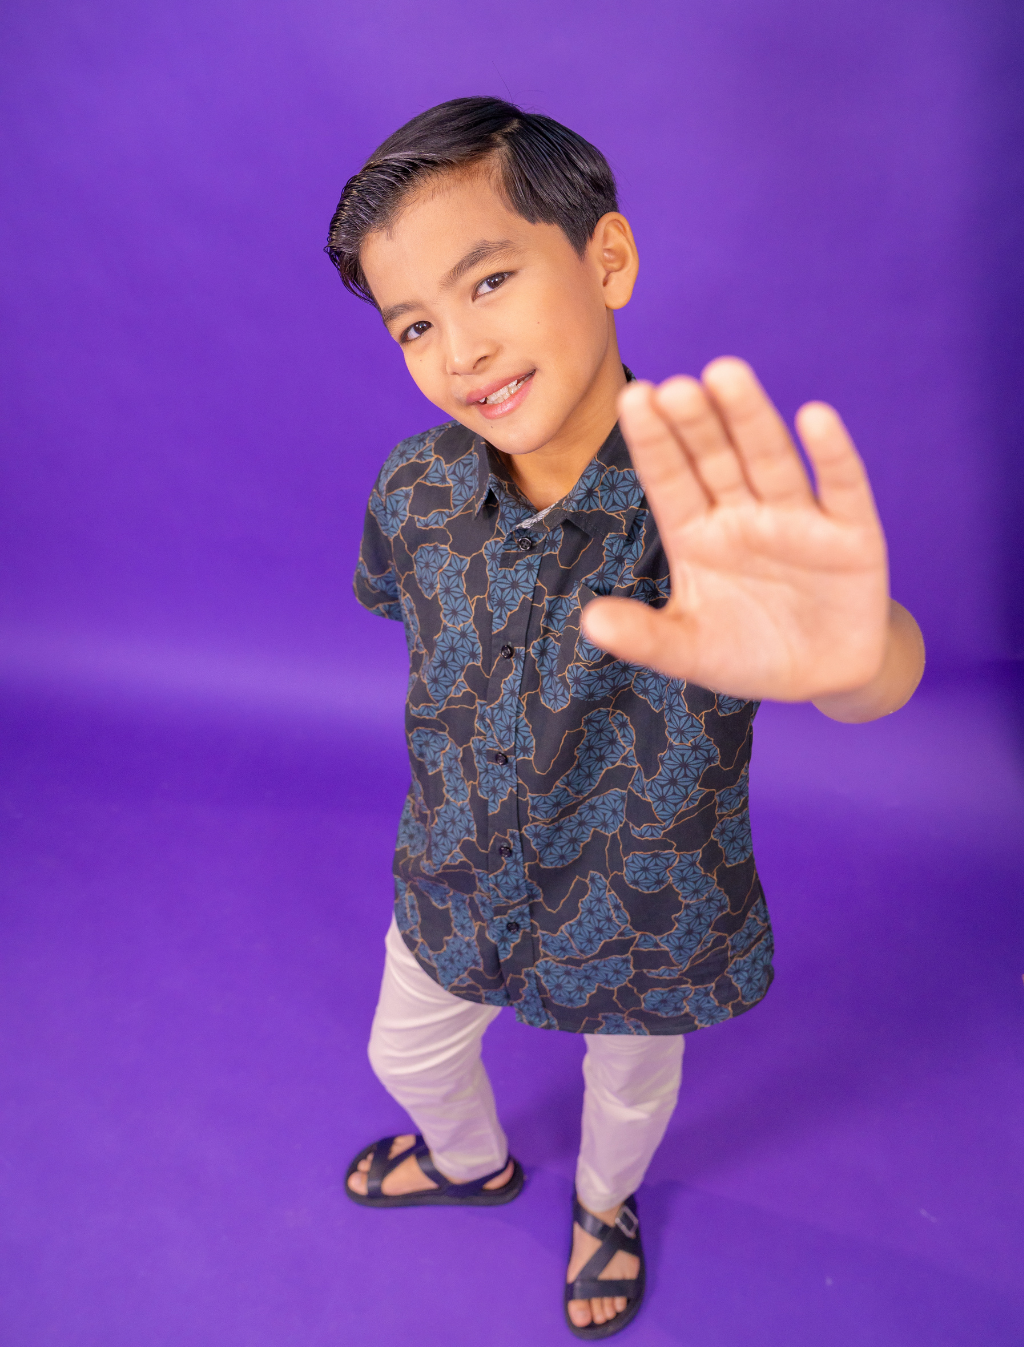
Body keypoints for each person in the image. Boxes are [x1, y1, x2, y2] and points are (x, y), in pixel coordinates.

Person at [324, 96, 925, 1338]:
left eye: (489, 280)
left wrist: (856, 653)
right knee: (406, 1052)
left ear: (606, 258)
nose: (460, 349)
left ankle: (605, 1204)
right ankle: (468, 1159)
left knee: (630, 1087)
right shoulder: (412, 486)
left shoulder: (712, 510)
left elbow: (867, 674)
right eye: (415, 323)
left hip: (643, 900)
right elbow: (414, 625)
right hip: (455, 873)